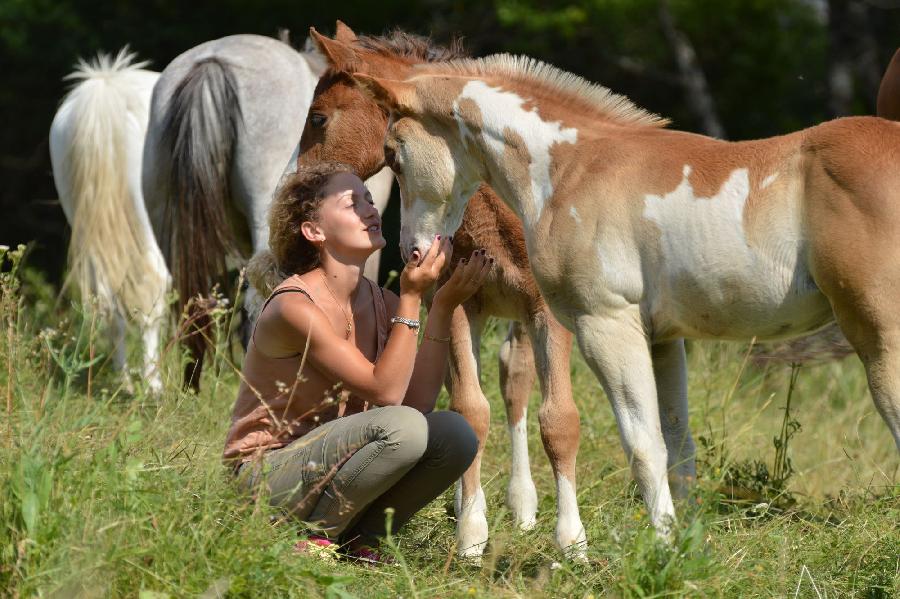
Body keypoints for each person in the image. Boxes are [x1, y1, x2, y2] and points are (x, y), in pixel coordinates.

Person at [223, 161, 491, 562]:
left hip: (336, 468)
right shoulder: (294, 306)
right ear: (314, 231)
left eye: (370, 199)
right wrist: (413, 298)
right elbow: (386, 393)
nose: (370, 209)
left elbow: (416, 406)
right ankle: (314, 537)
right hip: (266, 478)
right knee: (404, 428)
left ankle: (361, 540)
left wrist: (441, 308)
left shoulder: (382, 303)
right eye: (353, 203)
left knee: (454, 434)